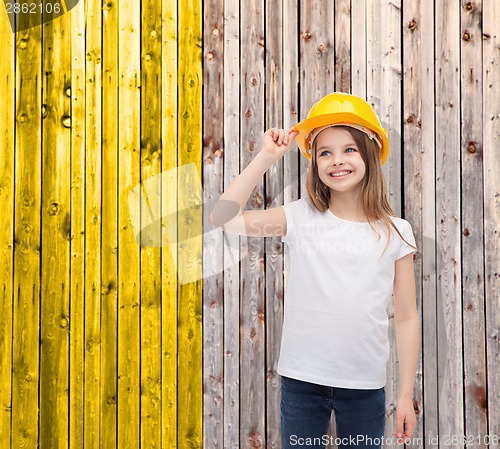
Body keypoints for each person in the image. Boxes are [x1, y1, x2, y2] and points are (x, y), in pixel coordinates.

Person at [210, 92, 419, 449]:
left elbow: (406, 317)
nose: (337, 161)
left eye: (349, 149)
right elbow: (223, 219)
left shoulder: (397, 231)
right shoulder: (300, 218)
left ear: (370, 154)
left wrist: (404, 395)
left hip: (365, 387)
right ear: (314, 162)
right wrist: (264, 158)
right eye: (325, 152)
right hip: (302, 383)